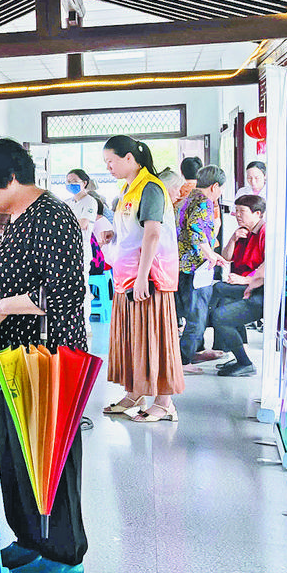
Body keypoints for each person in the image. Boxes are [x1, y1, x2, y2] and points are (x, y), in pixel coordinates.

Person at [0, 139, 89, 573]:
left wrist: (2, 307)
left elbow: (67, 292)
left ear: (9, 176)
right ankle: (31, 538)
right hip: (15, 356)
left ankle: (64, 554)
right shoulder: (19, 218)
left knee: (51, 457)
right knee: (19, 453)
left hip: (46, 357)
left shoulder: (52, 216)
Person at [100, 135, 183, 423]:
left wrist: (143, 277)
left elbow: (153, 234)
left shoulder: (150, 187)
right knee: (133, 338)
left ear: (129, 158)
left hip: (150, 278)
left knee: (155, 339)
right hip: (127, 276)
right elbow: (133, 230)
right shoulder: (128, 188)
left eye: (111, 161)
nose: (108, 167)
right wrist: (113, 234)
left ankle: (164, 403)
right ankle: (135, 393)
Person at [207, 195, 267, 377]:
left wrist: (245, 280)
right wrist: (233, 238)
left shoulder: (265, 232)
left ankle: (244, 362)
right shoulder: (243, 232)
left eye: (242, 211)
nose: (237, 215)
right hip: (242, 283)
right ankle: (237, 353)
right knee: (220, 294)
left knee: (220, 311)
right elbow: (226, 257)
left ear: (257, 213)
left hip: (258, 288)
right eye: (236, 211)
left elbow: (269, 267)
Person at [175, 166, 226, 364]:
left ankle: (191, 353)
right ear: (215, 186)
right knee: (197, 316)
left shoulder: (188, 198)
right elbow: (196, 230)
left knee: (190, 314)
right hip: (196, 268)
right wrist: (210, 254)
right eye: (221, 188)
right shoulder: (204, 201)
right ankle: (184, 360)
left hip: (183, 266)